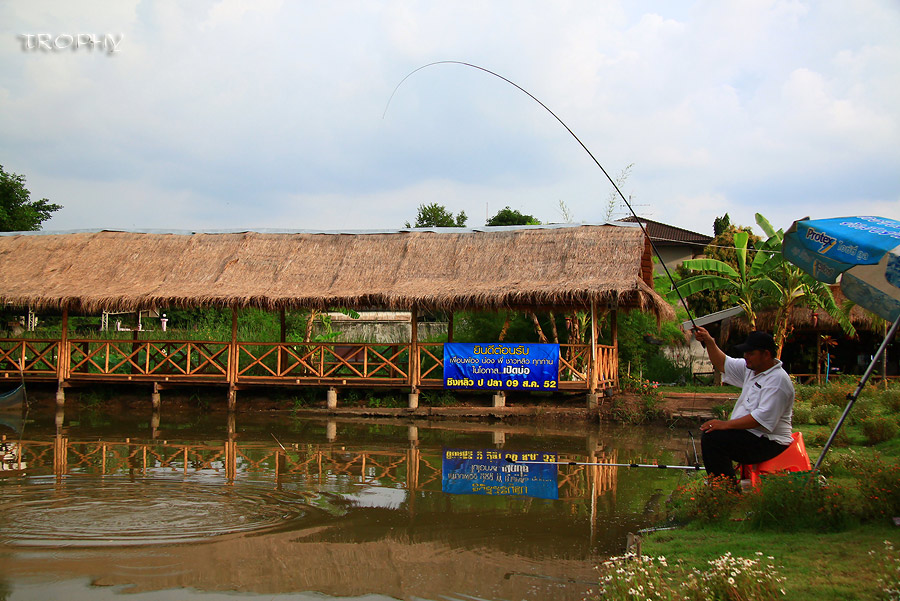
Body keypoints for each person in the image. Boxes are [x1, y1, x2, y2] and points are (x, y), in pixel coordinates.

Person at [691, 326, 794, 482]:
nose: (746, 357)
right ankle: (722, 484)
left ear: (766, 354)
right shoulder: (752, 369)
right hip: (754, 435)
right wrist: (709, 342)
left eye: (751, 353)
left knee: (714, 440)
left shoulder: (777, 380)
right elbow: (722, 363)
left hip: (770, 442)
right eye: (745, 353)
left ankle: (726, 489)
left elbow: (760, 419)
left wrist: (725, 425)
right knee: (713, 435)